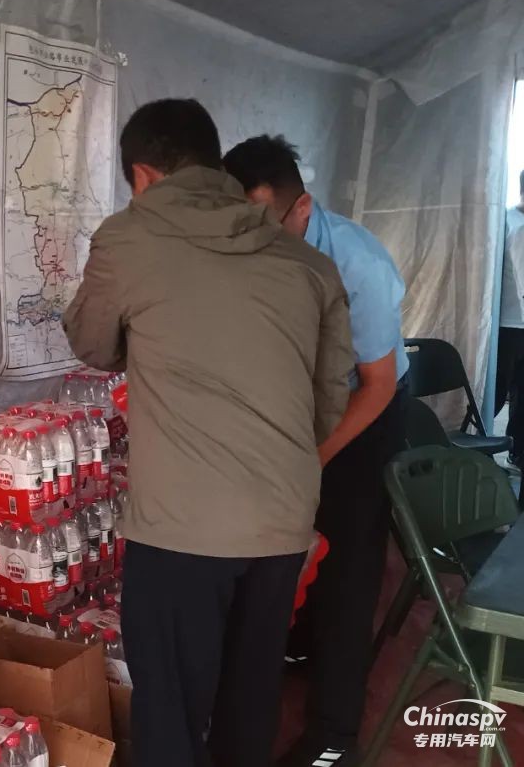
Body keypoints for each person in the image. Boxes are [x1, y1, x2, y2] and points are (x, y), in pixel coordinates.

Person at [64, 100, 353, 767]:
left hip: (181, 527)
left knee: (170, 709)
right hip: (280, 522)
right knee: (251, 695)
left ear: (142, 175)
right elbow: (328, 396)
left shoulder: (129, 239)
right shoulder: (308, 264)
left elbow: (92, 342)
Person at [223, 135, 410, 767]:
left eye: (263, 225)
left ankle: (334, 736)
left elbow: (378, 384)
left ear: (301, 208)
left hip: (365, 410)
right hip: (299, 405)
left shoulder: (358, 265)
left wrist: (313, 458)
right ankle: (300, 648)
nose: (249, 241)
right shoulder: (254, 248)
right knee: (287, 546)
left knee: (348, 568)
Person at [495, 170, 524, 466]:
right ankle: (475, 445)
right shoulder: (504, 220)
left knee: (523, 396)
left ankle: (517, 453)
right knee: (498, 389)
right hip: (507, 323)